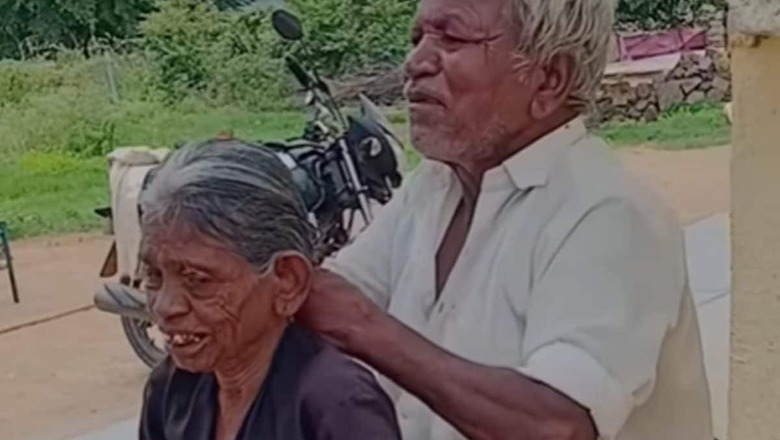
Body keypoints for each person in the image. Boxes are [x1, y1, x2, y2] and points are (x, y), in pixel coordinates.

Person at [297, 0, 714, 439]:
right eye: (417, 38)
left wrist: (362, 326)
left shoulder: (610, 213)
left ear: (548, 80)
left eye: (453, 39)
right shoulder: (436, 185)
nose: (415, 63)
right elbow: (328, 301)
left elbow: (557, 425)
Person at [136, 139, 402, 440]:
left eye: (198, 279)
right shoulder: (172, 388)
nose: (164, 306)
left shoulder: (338, 406)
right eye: (153, 275)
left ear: (287, 281)